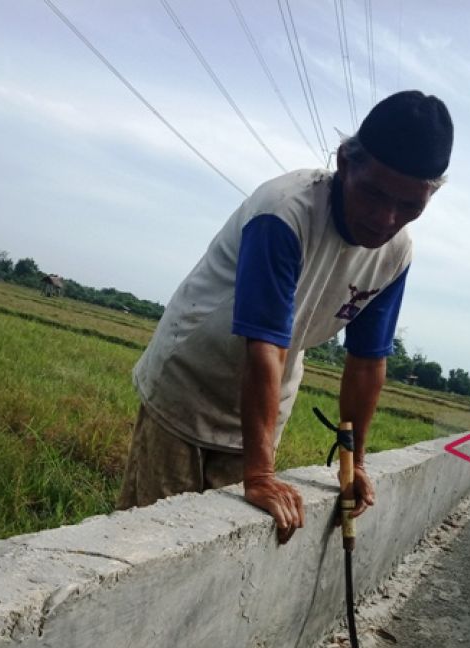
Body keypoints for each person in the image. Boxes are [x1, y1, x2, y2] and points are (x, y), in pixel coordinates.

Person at [118, 90, 453, 543]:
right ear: (346, 163)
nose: (386, 217)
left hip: (266, 401)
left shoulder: (396, 253)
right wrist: (259, 475)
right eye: (374, 193)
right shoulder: (285, 213)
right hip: (191, 381)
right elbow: (264, 346)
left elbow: (367, 362)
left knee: (230, 548)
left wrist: (354, 467)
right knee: (153, 539)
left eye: (410, 206)